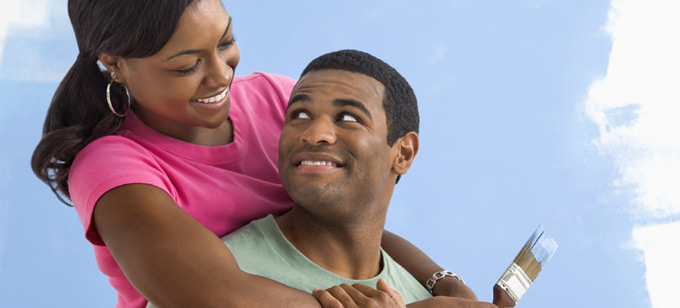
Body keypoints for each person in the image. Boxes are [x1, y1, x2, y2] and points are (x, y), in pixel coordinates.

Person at [31, 0, 472, 307]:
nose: (221, 75)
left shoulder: (277, 102)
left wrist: (443, 284)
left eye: (225, 42)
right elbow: (211, 295)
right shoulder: (112, 167)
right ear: (115, 63)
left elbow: (352, 218)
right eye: (188, 65)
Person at [214, 50, 498, 308]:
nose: (314, 134)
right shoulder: (216, 276)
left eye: (348, 118)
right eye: (300, 114)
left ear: (403, 153)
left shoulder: (428, 299)